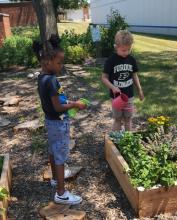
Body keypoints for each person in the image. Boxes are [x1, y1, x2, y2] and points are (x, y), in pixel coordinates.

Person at [33, 35, 85, 205]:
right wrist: (75, 104)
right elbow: (58, 108)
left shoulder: (42, 78)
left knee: (52, 151)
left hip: (50, 121)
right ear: (47, 61)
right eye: (59, 62)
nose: (61, 66)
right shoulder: (52, 81)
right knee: (60, 155)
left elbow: (56, 102)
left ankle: (56, 179)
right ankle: (61, 193)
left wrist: (70, 102)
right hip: (58, 122)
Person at [102, 30, 144, 131]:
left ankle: (128, 140)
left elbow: (134, 75)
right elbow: (104, 77)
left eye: (128, 49)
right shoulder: (111, 60)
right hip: (116, 97)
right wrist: (112, 87)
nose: (126, 52)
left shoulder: (131, 60)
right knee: (118, 119)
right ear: (116, 47)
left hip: (129, 96)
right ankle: (114, 142)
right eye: (123, 50)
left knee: (128, 118)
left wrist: (139, 89)